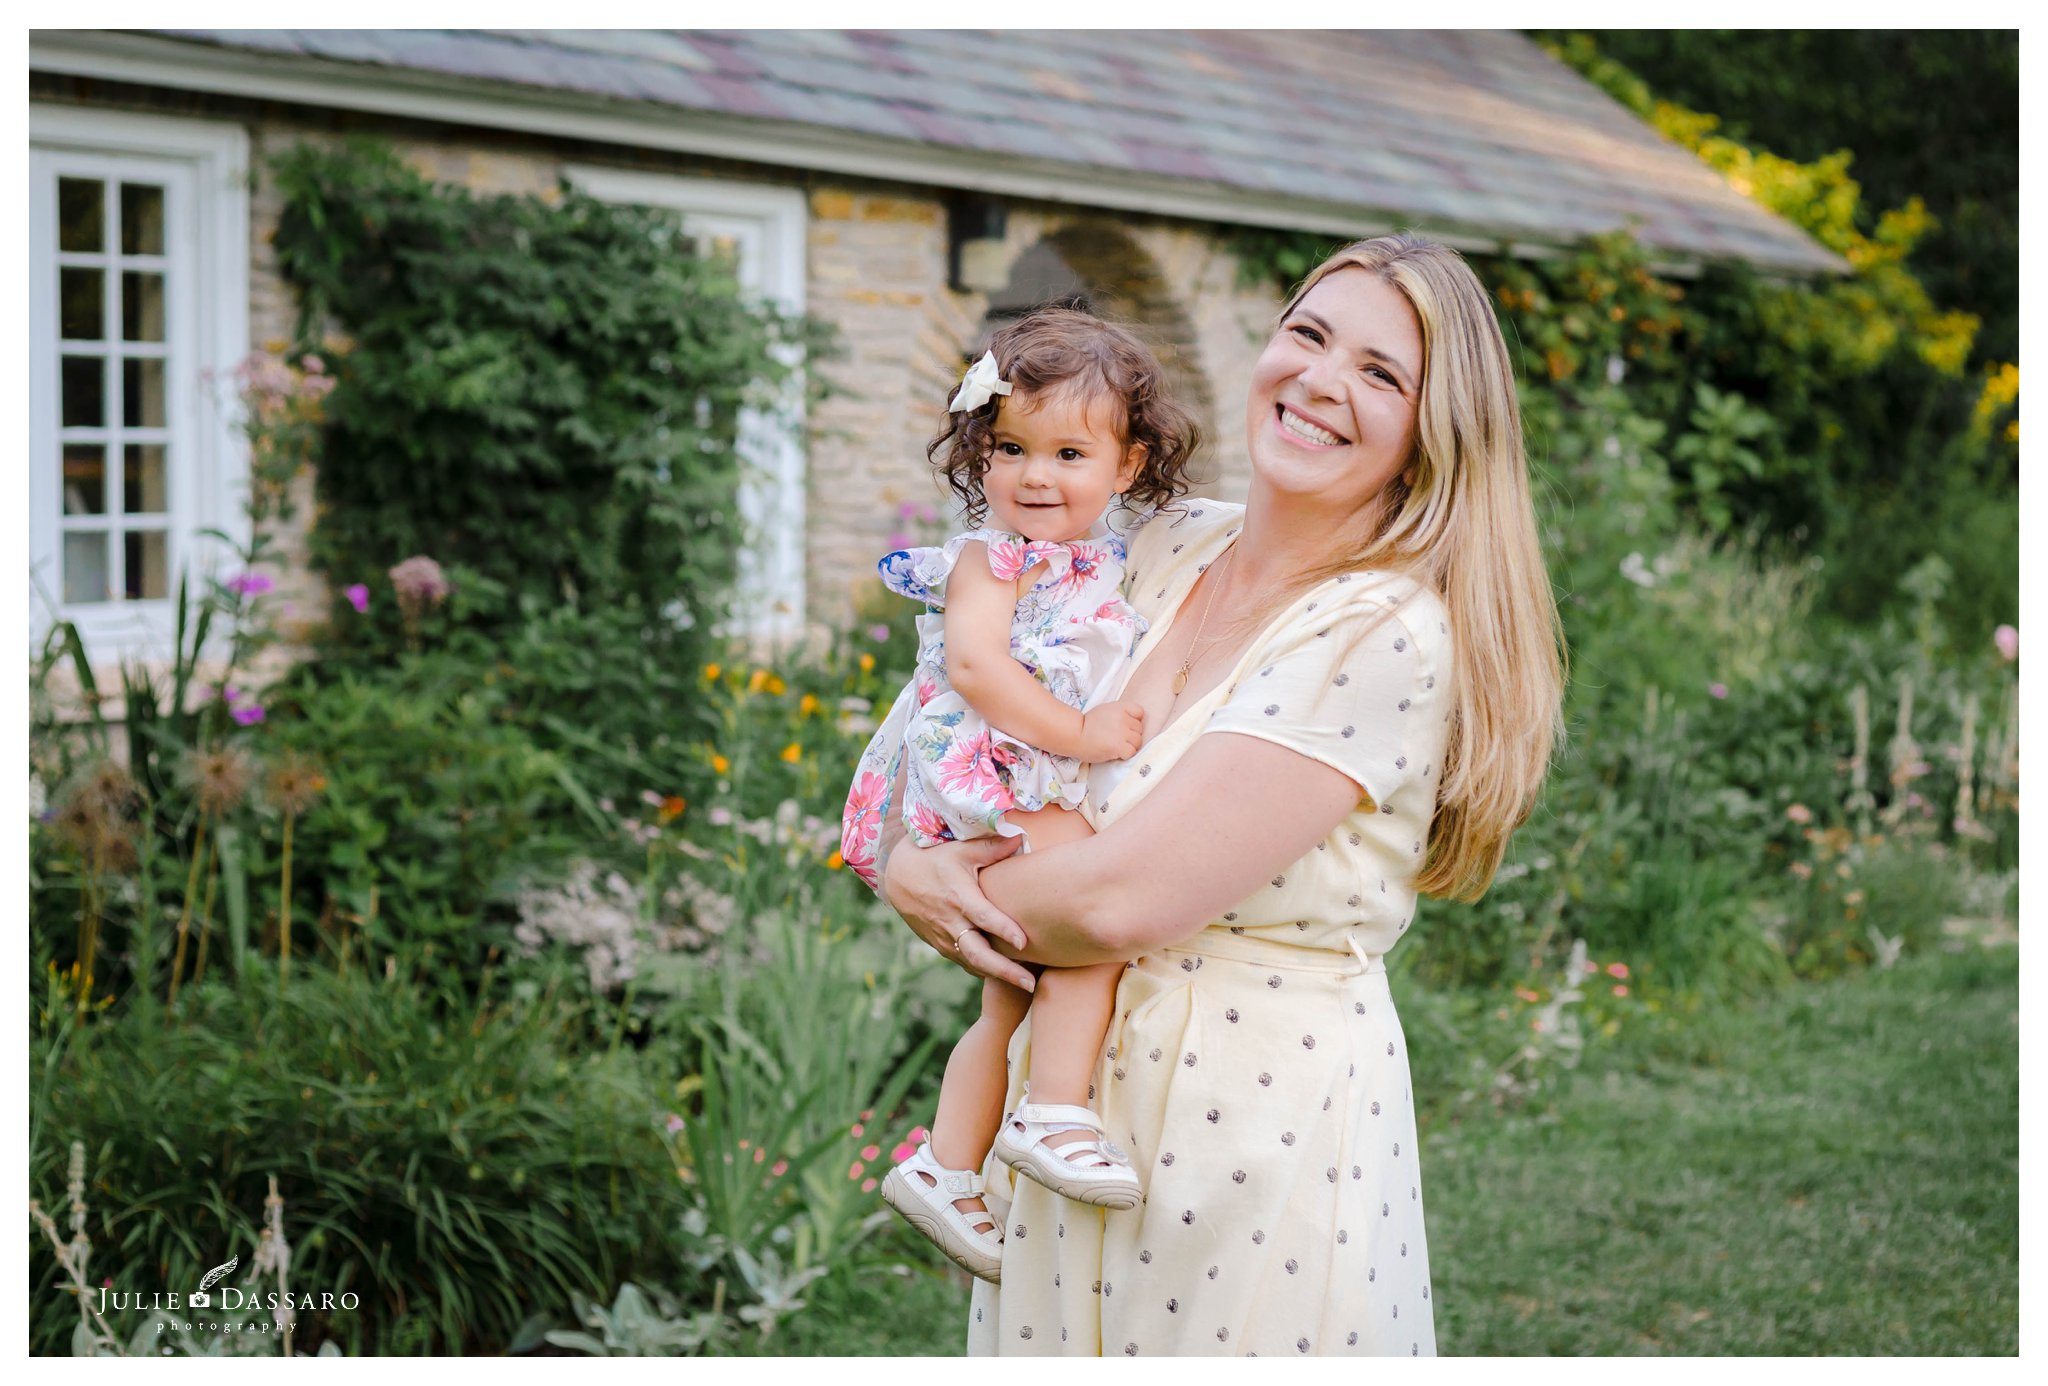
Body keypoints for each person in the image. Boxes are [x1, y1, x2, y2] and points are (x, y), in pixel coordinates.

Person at [878, 234, 1565, 1356]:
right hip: (1058, 1131)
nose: (1320, 380)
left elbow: (1114, 903)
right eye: (1306, 334)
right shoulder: (1154, 547)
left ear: (1434, 430)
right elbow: (932, 738)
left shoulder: (1379, 629)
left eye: (1381, 373)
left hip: (1247, 1136)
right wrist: (909, 863)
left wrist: (941, 886)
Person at [840, 309, 1202, 1283]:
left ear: (1126, 468)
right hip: (993, 768)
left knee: (1007, 998)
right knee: (1091, 931)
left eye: (1067, 452)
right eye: (1009, 448)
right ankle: (1053, 1112)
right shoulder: (987, 555)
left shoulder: (1100, 552)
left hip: (1021, 764)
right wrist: (1081, 734)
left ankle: (944, 1168)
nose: (1034, 476)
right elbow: (973, 665)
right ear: (977, 452)